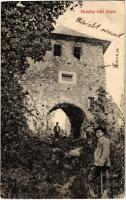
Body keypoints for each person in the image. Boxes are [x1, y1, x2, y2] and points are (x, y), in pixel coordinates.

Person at [88, 127, 111, 198]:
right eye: (96, 132)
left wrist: (101, 163)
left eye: (99, 132)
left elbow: (106, 153)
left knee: (105, 179)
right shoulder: (99, 141)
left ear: (103, 133)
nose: (97, 133)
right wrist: (96, 162)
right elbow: (98, 153)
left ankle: (105, 195)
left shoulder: (106, 140)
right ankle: (93, 194)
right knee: (90, 178)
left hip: (104, 164)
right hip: (97, 164)